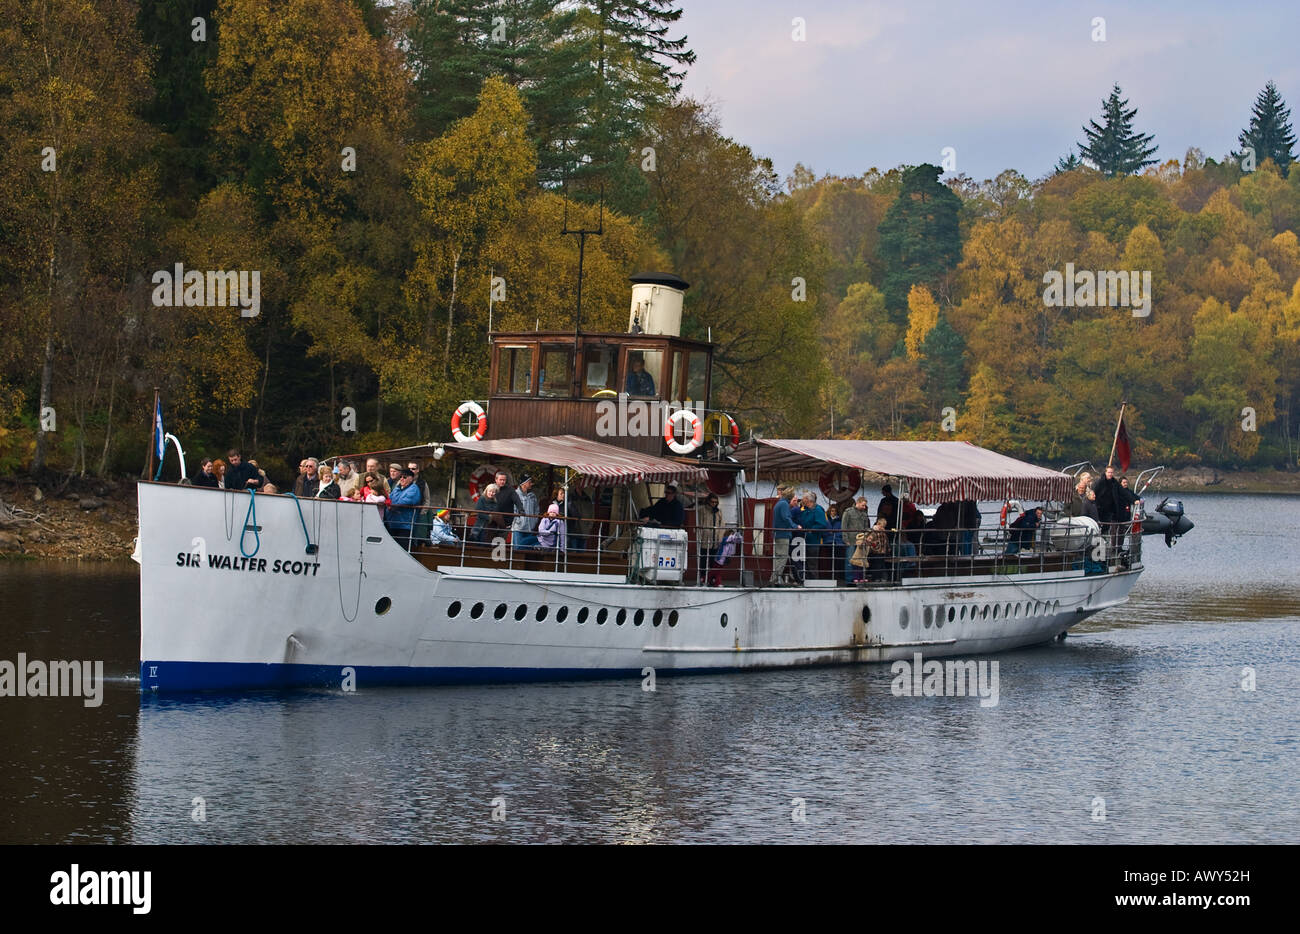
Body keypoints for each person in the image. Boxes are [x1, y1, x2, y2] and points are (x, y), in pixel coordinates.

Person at [385, 468, 423, 550]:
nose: (402, 479)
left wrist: (393, 506)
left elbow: (408, 500)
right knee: (391, 548)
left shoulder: (414, 488)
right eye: (401, 477)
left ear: (411, 478)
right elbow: (389, 499)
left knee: (402, 548)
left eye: (404, 477)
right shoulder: (397, 489)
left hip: (405, 525)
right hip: (392, 523)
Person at [767, 486, 797, 586]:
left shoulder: (779, 503)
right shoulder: (784, 504)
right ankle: (774, 578)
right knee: (783, 557)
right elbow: (786, 517)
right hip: (783, 534)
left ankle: (775, 578)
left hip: (778, 533)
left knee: (778, 557)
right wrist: (795, 526)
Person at [796, 491, 828, 580]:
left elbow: (822, 524)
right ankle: (805, 580)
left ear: (808, 500)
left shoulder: (818, 509)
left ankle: (814, 581)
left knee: (812, 563)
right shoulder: (805, 509)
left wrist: (811, 530)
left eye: (803, 498)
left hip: (813, 540)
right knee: (805, 562)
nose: (802, 500)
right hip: (804, 540)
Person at [840, 496, 871, 583]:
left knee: (861, 560)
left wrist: (868, 534)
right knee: (850, 560)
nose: (864, 507)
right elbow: (844, 526)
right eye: (863, 505)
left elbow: (866, 527)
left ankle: (860, 578)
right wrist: (845, 539)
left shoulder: (864, 514)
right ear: (858, 503)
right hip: (851, 540)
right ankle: (849, 580)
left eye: (865, 506)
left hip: (861, 542)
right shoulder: (848, 512)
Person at [696, 492, 724, 584]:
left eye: (715, 502)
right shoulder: (702, 510)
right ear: (708, 501)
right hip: (704, 539)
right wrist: (699, 536)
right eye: (712, 502)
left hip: (715, 541)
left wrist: (720, 538)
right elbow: (699, 524)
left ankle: (711, 579)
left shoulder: (719, 512)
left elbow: (722, 525)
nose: (714, 504)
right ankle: (702, 578)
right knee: (703, 561)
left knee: (713, 562)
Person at [511, 474, 540, 548]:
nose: (531, 484)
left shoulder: (532, 495)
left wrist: (534, 520)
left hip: (530, 528)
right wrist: (518, 521)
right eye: (529, 482)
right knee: (517, 549)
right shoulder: (515, 494)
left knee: (527, 550)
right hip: (518, 528)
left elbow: (536, 509)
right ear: (523, 483)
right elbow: (512, 509)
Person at [408, 460, 432, 545]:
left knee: (418, 538)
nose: (411, 471)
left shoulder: (423, 483)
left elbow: (427, 499)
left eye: (413, 469)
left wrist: (423, 512)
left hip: (418, 514)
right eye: (409, 468)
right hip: (406, 514)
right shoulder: (403, 480)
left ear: (417, 470)